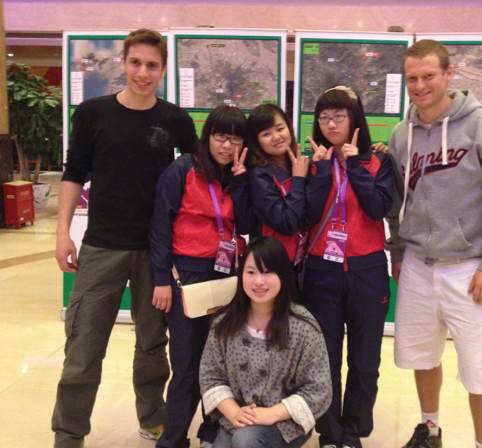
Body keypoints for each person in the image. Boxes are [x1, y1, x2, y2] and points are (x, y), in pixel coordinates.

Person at [52, 28, 198, 448]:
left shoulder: (175, 120)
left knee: (152, 343)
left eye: (152, 65)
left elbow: (197, 176)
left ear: (163, 69)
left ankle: (152, 418)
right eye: (135, 62)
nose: (142, 73)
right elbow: (73, 174)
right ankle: (69, 432)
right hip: (101, 247)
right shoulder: (93, 114)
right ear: (123, 62)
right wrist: (62, 233)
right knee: (83, 345)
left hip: (155, 251)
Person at [386, 39, 482, 448]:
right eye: (412, 78)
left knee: (480, 370)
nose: (420, 86)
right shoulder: (402, 134)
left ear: (450, 74)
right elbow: (396, 201)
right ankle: (430, 430)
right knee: (422, 356)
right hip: (417, 263)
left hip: (469, 268)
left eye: (429, 76)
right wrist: (399, 252)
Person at [149, 105, 254, 448]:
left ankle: (212, 433)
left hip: (226, 275)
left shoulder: (238, 175)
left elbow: (247, 224)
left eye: (235, 139)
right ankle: (173, 439)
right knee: (186, 363)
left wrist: (241, 181)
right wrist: (161, 279)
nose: (226, 145)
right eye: (220, 137)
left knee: (221, 362)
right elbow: (160, 225)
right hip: (186, 275)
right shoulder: (183, 169)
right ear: (207, 136)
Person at [303, 86, 395, 448]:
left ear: (355, 119)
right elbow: (307, 215)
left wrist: (355, 165)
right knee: (324, 356)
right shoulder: (312, 163)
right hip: (322, 270)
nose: (331, 124)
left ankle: (353, 430)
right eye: (324, 118)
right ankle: (330, 431)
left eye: (339, 116)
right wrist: (322, 170)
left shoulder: (378, 161)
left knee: (365, 359)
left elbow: (378, 208)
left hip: (367, 269)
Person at [199, 236, 332, 448]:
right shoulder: (224, 323)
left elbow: (319, 388)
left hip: (283, 423)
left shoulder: (303, 326)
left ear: (283, 275)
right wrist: (233, 411)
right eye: (251, 272)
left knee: (245, 441)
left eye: (268, 272)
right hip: (237, 417)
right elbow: (210, 375)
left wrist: (272, 414)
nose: (259, 281)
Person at [246, 104, 310, 264]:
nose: (276, 137)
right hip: (272, 262)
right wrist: (298, 180)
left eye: (280, 129)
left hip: (301, 258)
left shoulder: (298, 164)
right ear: (256, 141)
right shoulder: (259, 174)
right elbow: (287, 223)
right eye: (266, 134)